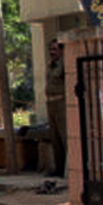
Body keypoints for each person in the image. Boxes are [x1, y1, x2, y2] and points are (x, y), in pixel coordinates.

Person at [45, 39, 67, 177]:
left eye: (55, 49)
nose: (52, 52)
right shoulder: (50, 65)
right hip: (51, 103)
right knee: (55, 138)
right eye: (50, 49)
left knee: (64, 136)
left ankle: (68, 170)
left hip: (61, 102)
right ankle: (59, 168)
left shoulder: (64, 64)